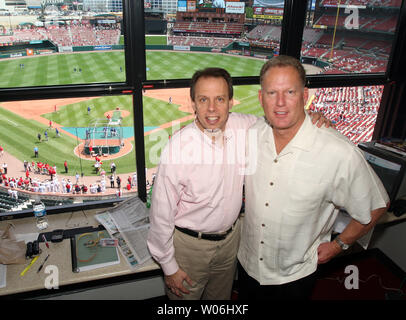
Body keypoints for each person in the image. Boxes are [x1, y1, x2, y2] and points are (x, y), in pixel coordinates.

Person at [147, 67, 330, 300]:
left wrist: (310, 119)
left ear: (231, 102)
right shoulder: (177, 149)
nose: (212, 109)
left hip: (231, 243)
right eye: (203, 99)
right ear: (193, 103)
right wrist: (169, 266)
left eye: (220, 99)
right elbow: (161, 213)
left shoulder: (245, 126)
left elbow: (279, 121)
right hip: (190, 247)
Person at [237, 55, 390, 300]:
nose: (280, 103)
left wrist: (339, 244)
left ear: (305, 96)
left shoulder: (339, 151)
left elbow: (376, 206)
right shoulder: (252, 134)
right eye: (271, 93)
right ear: (260, 98)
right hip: (246, 266)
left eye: (290, 92)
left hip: (294, 277)